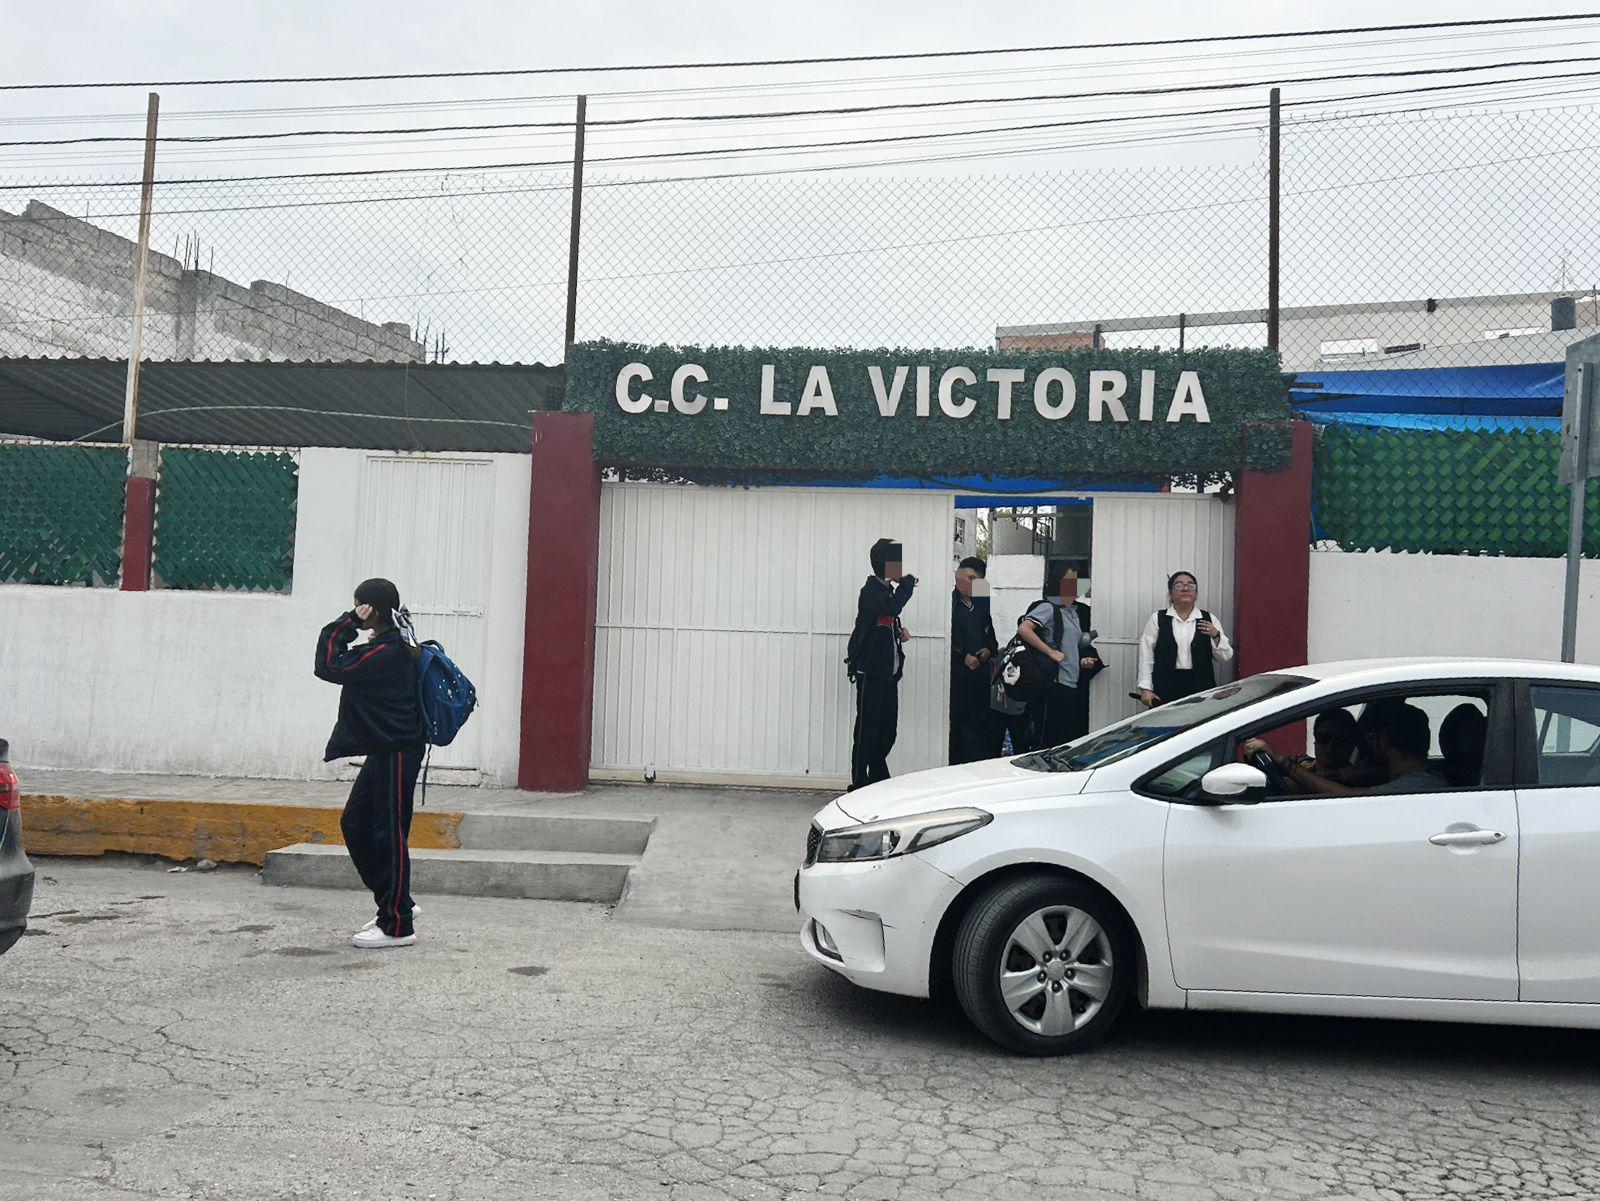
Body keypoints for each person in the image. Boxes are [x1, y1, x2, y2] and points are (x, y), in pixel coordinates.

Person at [314, 578, 425, 949]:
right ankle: (396, 901)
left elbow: (329, 665)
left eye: (359, 604)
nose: (356, 609)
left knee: (388, 834)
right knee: (355, 823)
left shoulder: (388, 650)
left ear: (370, 610)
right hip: (385, 749)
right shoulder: (388, 644)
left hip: (397, 750)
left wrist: (347, 623)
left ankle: (397, 925)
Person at [1246, 702, 1447, 796]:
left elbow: (1349, 795)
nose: (1330, 747)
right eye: (1324, 739)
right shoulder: (1315, 767)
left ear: (1383, 741)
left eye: (1339, 741)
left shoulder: (1419, 785)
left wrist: (1283, 762)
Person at [846, 539, 917, 790]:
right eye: (896, 561)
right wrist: (906, 584)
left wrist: (900, 633)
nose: (900, 566)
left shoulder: (886, 592)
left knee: (888, 729)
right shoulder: (871, 592)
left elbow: (885, 620)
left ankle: (877, 776)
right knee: (867, 730)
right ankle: (859, 782)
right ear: (886, 564)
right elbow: (891, 607)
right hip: (871, 672)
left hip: (888, 674)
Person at [1017, 569, 1102, 749]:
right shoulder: (1048, 607)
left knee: (1064, 740)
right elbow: (1024, 629)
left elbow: (1071, 647)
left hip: (1070, 684)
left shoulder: (1073, 613)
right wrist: (1049, 652)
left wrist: (1082, 661)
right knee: (1047, 740)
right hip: (1053, 684)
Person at [1137, 571, 1233, 707]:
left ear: (1196, 593)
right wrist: (1145, 688)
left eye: (1190, 585)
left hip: (1201, 687)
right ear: (1170, 593)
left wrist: (1215, 635)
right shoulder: (1158, 619)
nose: (1185, 589)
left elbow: (1225, 656)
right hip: (1165, 687)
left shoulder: (1209, 619)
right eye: (1179, 585)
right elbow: (1146, 656)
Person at [949, 557, 998, 764]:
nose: (968, 583)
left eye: (975, 580)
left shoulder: (981, 600)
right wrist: (962, 657)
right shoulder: (948, 601)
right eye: (966, 577)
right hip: (956, 676)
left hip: (980, 675)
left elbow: (991, 638)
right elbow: (946, 638)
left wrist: (988, 650)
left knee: (980, 726)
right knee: (959, 727)